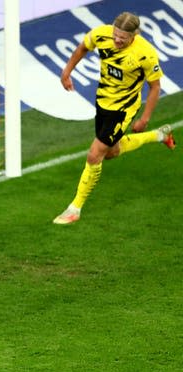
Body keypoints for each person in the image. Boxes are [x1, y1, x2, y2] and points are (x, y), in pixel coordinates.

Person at [53, 11, 176, 225]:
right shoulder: (101, 35)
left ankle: (75, 208)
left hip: (124, 108)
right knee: (111, 152)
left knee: (95, 155)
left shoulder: (145, 53)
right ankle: (159, 135)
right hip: (103, 101)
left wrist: (144, 117)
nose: (118, 40)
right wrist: (67, 72)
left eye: (123, 37)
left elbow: (155, 86)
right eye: (116, 34)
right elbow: (83, 47)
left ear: (134, 35)